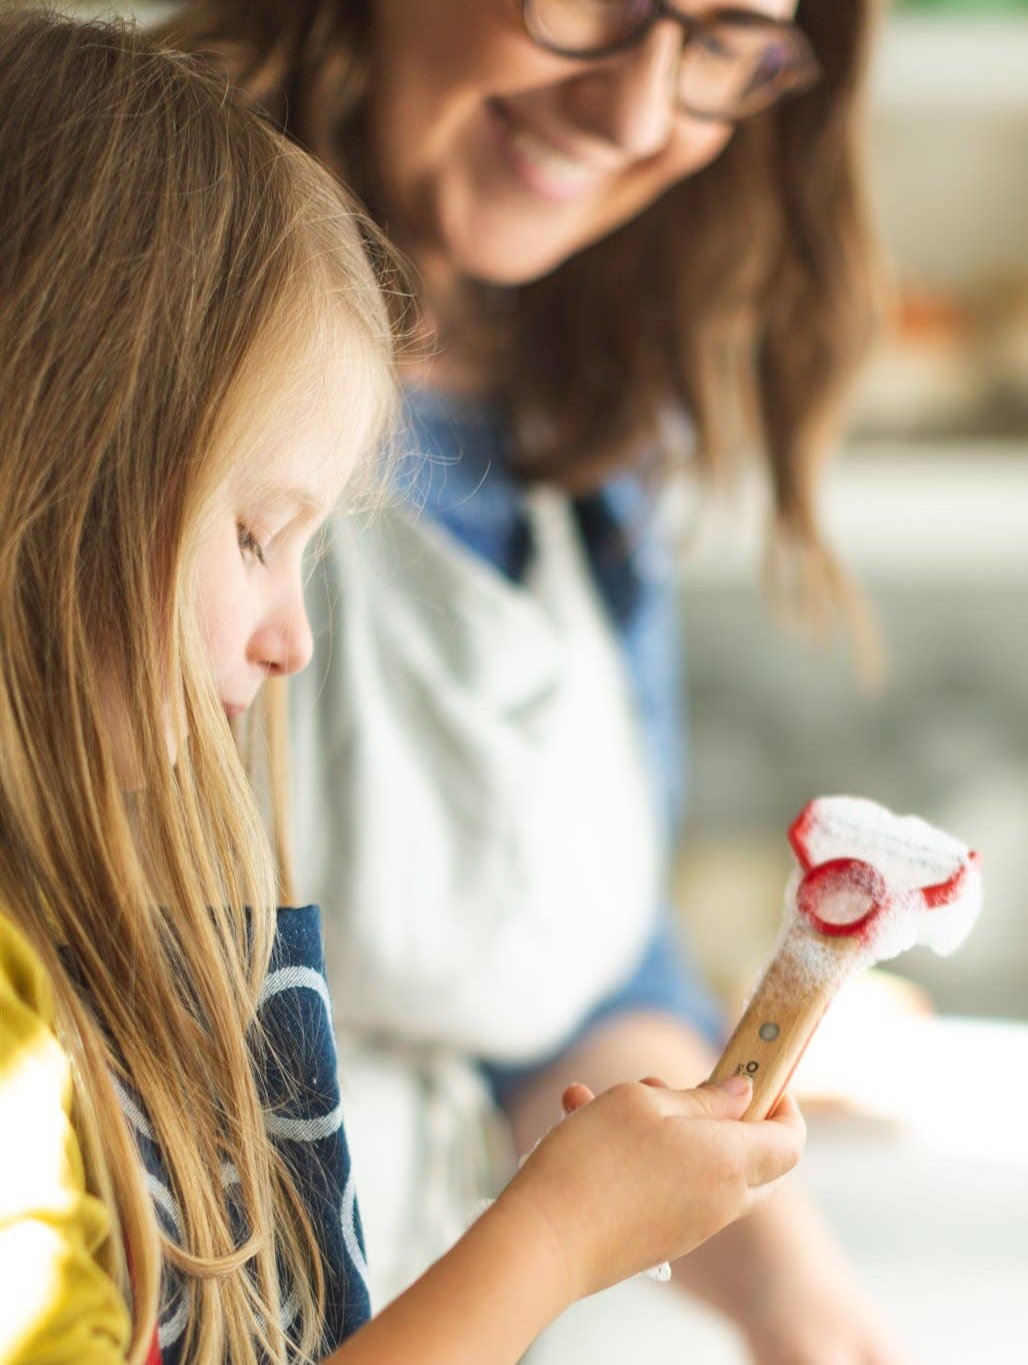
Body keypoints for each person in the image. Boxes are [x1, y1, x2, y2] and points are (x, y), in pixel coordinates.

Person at [0, 13, 803, 1364]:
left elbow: (601, 972)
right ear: (49, 479)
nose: (288, 642)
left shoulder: (589, 455)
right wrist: (548, 1237)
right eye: (256, 535)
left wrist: (777, 1283)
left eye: (722, 39)